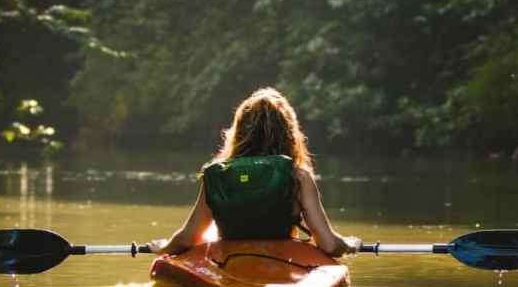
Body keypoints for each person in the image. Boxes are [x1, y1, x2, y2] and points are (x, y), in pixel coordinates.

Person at [146, 87, 362, 258]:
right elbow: (329, 245)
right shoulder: (298, 177)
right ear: (289, 133)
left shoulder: (219, 175)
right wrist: (349, 244)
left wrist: (163, 247)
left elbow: (187, 239)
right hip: (282, 264)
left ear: (239, 132)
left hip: (229, 264)